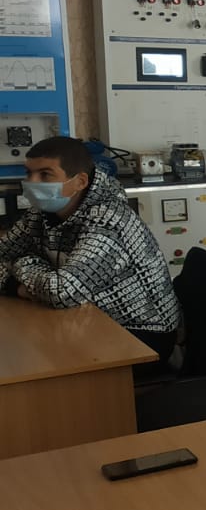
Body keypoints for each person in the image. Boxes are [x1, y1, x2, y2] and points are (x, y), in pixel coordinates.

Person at [0, 137, 179, 369]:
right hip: (85, 318)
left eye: (45, 174)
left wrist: (23, 264)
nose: (31, 182)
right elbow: (3, 252)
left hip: (141, 335)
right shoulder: (41, 213)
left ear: (80, 181)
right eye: (29, 173)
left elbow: (62, 292)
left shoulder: (109, 220)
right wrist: (17, 286)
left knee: (33, 362)